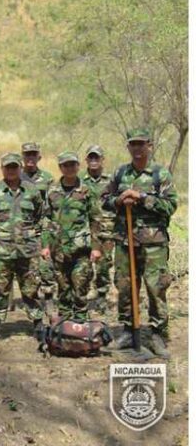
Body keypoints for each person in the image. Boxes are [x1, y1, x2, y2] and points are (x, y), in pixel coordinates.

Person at [102, 128, 177, 359]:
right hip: (125, 241)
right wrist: (119, 200)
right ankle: (127, 330)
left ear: (149, 146)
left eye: (141, 144)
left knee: (156, 288)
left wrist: (143, 198)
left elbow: (170, 206)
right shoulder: (120, 173)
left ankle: (157, 334)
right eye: (133, 144)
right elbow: (104, 200)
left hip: (154, 243)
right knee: (125, 286)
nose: (137, 148)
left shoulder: (159, 174)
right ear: (128, 147)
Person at [0, 153, 47, 344]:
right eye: (7, 167)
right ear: (2, 169)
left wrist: (35, 236)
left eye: (14, 167)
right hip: (2, 250)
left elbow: (40, 216)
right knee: (0, 288)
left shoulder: (32, 191)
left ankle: (37, 323)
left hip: (27, 250)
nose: (11, 170)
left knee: (31, 288)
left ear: (20, 168)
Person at [42, 152, 102, 320]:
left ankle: (81, 323)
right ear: (60, 168)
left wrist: (96, 248)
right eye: (65, 165)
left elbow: (96, 219)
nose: (69, 168)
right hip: (58, 249)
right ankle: (66, 327)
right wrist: (45, 245)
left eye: (72, 164)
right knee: (63, 289)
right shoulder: (52, 190)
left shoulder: (86, 191)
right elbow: (46, 218)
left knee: (80, 287)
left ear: (78, 166)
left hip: (81, 250)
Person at [21, 142, 58, 313]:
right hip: (22, 228)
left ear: (39, 157)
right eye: (27, 154)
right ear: (23, 156)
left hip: (43, 227)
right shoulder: (16, 176)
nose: (30, 158)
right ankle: (30, 300)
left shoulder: (48, 178)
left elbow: (52, 205)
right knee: (26, 267)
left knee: (46, 265)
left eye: (33, 154)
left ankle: (49, 298)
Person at [79, 145, 116, 313]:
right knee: (83, 265)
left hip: (106, 230)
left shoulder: (111, 182)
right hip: (84, 231)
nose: (94, 161)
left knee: (103, 265)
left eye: (97, 158)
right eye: (91, 158)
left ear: (102, 160)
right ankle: (81, 299)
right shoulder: (79, 181)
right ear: (86, 160)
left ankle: (101, 297)